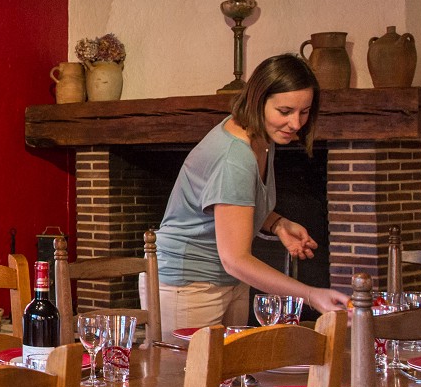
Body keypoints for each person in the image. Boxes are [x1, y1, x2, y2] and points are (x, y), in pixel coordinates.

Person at [148, 54, 349, 333]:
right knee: (189, 364)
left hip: (228, 280)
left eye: (304, 112)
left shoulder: (262, 136)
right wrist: (310, 295)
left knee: (233, 362)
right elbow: (235, 260)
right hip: (189, 284)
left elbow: (232, 205)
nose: (295, 123)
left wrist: (277, 224)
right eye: (285, 111)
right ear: (258, 100)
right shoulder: (235, 157)